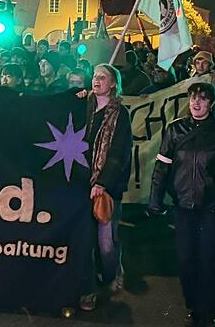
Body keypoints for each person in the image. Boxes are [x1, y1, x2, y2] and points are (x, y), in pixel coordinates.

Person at [149, 82, 215, 327]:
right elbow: (161, 168)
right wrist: (155, 200)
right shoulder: (174, 130)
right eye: (193, 97)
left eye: (203, 99)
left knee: (210, 260)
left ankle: (210, 310)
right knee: (186, 260)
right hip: (183, 206)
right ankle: (193, 304)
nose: (196, 102)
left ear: (212, 103)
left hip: (213, 206)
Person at [79, 64, 133, 312]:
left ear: (113, 84)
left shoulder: (120, 114)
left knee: (106, 243)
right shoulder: (85, 106)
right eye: (94, 76)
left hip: (107, 187)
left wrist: (103, 182)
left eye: (103, 77)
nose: (96, 80)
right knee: (85, 241)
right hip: (81, 184)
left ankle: (111, 273)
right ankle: (89, 291)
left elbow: (119, 153)